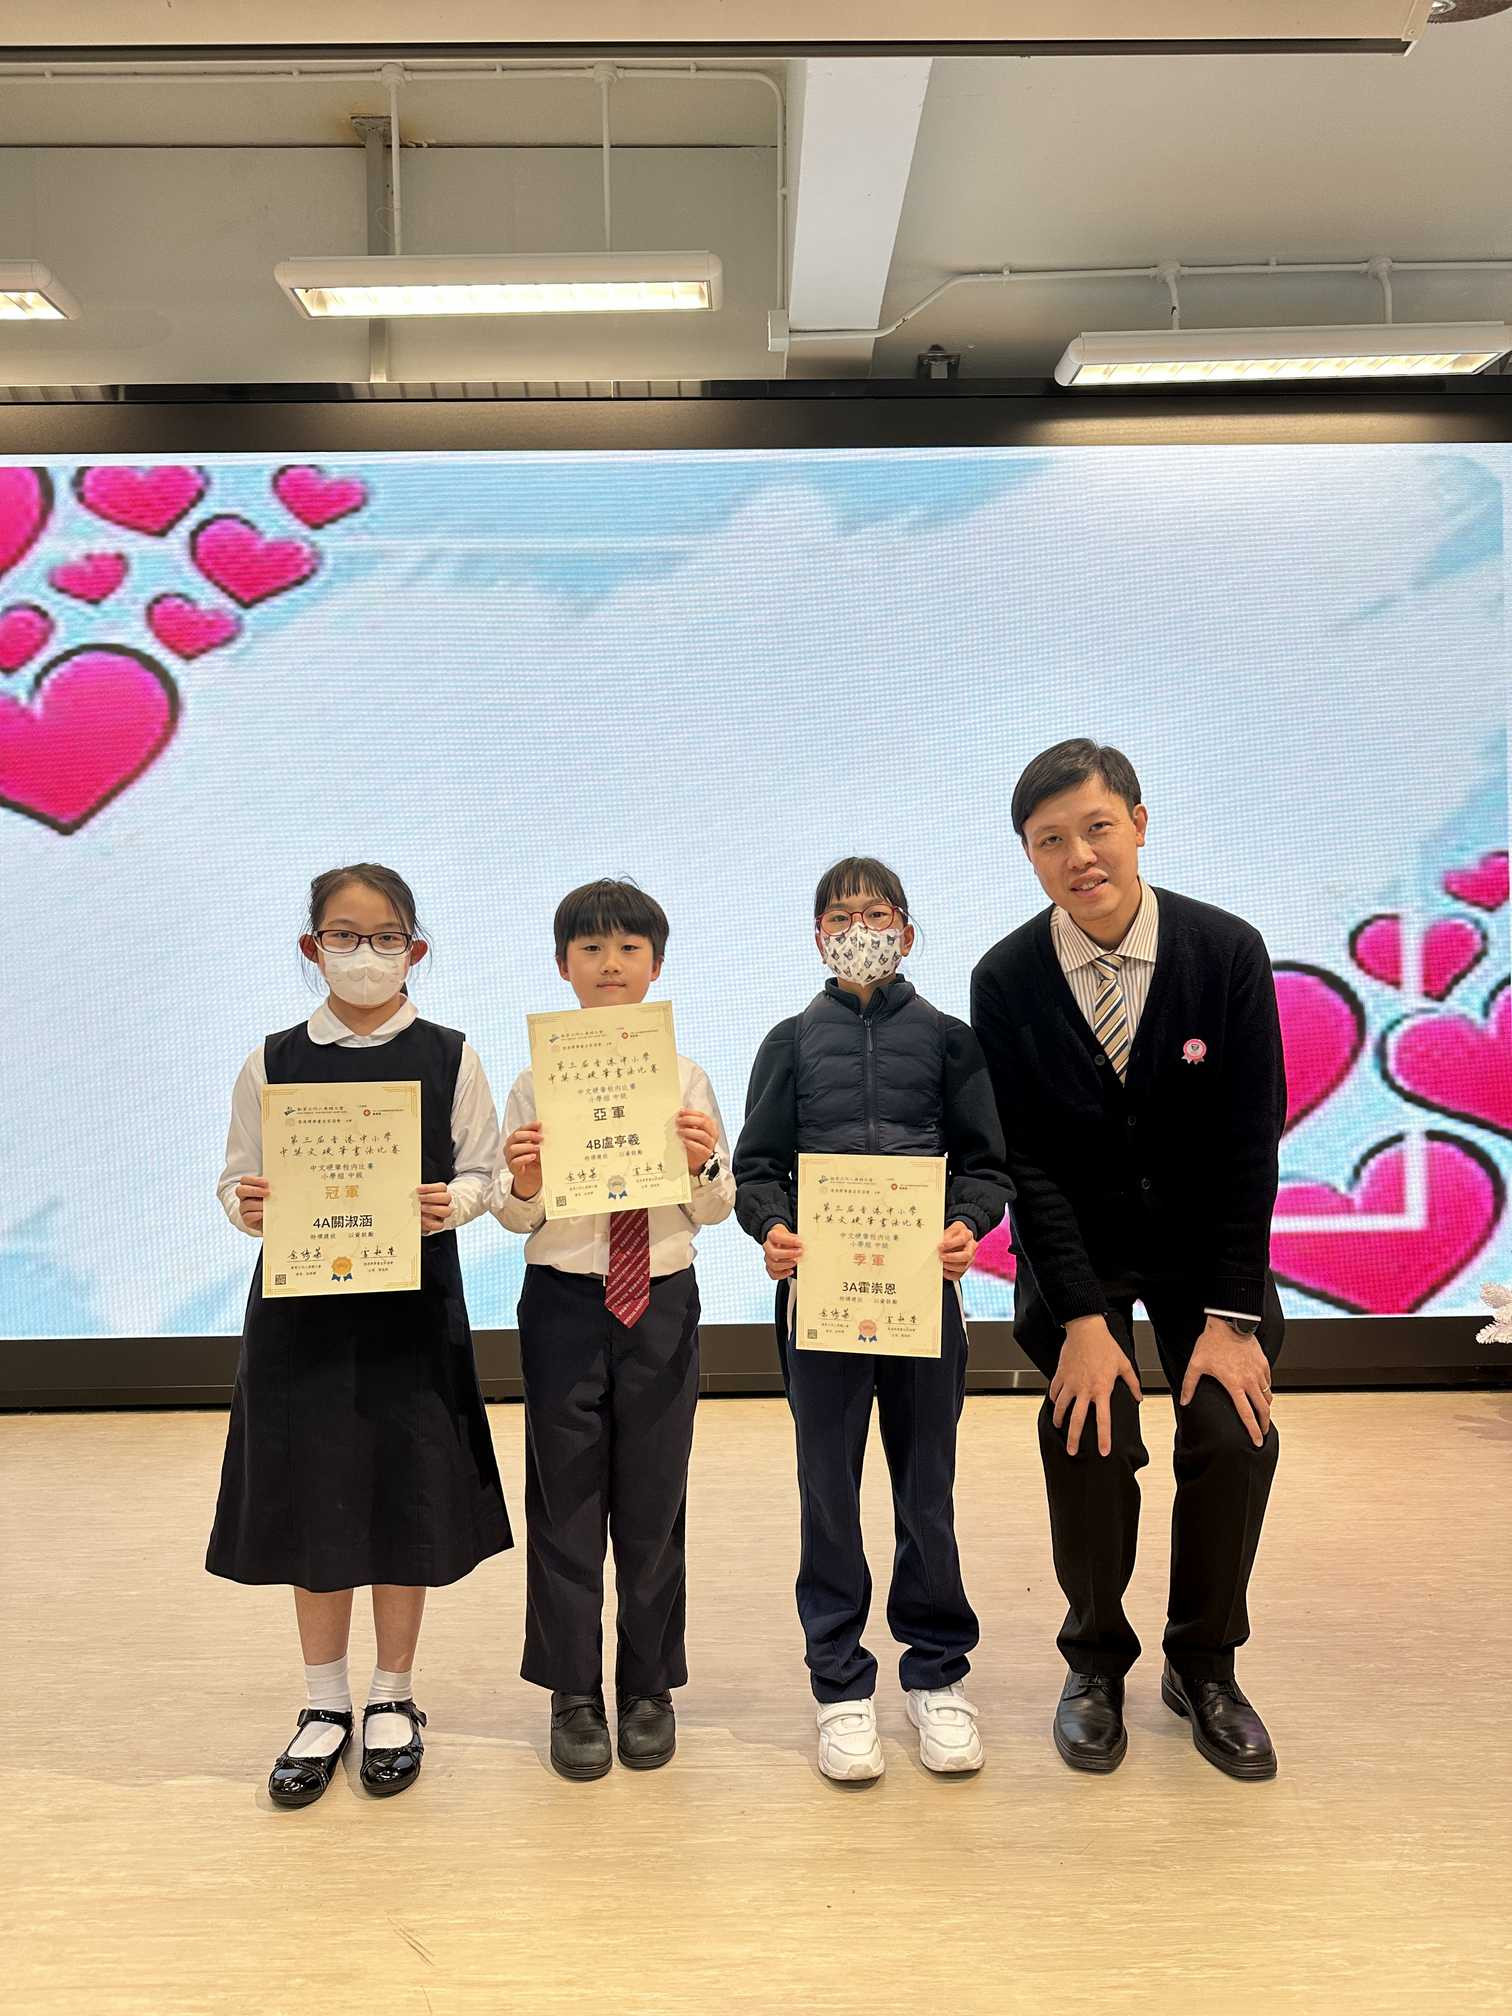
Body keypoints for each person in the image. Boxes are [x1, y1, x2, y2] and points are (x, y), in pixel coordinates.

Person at [970, 741, 1285, 1781]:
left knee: (1233, 1430)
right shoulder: (1006, 978)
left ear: (1139, 825)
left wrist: (1232, 1320)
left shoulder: (1226, 952)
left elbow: (1249, 1142)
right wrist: (1081, 1320)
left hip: (1206, 1256)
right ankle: (1095, 1662)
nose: (1079, 856)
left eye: (1096, 828)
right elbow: (1027, 1163)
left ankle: (1205, 1664)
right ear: (1029, 855)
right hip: (1082, 1255)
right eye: (1049, 841)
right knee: (1089, 1427)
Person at [208, 862, 511, 1806]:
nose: (364, 954)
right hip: (301, 1315)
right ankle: (323, 1701)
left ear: (415, 949)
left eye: (384, 937)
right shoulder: (273, 1061)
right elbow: (235, 1180)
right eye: (343, 936)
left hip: (410, 1312)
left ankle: (392, 1694)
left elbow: (487, 1173)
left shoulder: (452, 1055)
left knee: (402, 1490)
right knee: (314, 1492)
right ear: (312, 947)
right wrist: (250, 1206)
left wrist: (454, 1202)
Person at [734, 858, 1012, 1783]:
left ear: (907, 931)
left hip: (923, 1297)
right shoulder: (788, 1041)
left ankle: (938, 1674)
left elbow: (986, 1165)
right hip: (820, 1302)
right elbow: (758, 1167)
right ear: (818, 937)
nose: (860, 930)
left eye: (877, 914)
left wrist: (966, 1224)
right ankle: (841, 1685)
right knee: (828, 1491)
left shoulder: (950, 1041)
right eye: (840, 917)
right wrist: (772, 1228)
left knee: (927, 1488)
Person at [491, 879, 735, 1781]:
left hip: (659, 1299)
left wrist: (701, 1160)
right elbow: (515, 1218)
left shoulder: (687, 1077)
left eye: (629, 949)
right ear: (563, 966)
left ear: (656, 966)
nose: (609, 964)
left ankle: (647, 1687)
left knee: (654, 1503)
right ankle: (573, 1692)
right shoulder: (533, 1080)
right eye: (590, 949)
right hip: (564, 1302)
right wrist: (524, 1181)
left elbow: (716, 1208)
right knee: (563, 1504)